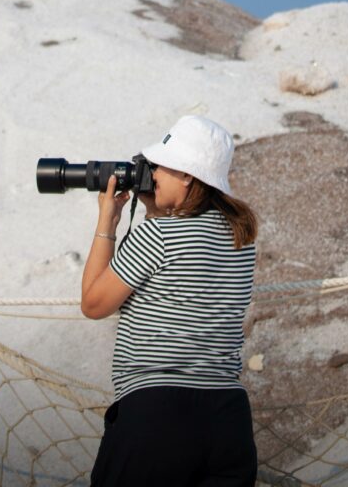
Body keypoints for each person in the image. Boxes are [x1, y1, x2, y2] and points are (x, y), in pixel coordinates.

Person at [81, 114, 258, 487]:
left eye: (160, 166)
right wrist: (158, 207)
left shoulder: (157, 236)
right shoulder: (241, 241)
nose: (152, 174)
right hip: (228, 422)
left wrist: (108, 222)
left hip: (157, 418)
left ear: (188, 175)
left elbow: (94, 304)